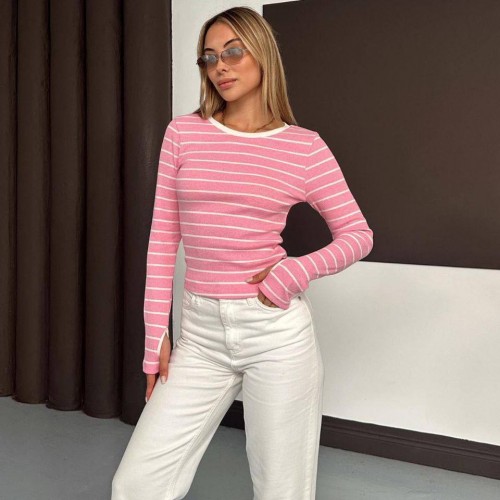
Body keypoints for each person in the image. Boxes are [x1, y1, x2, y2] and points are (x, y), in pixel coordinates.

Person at [112, 6, 373, 500]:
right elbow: (163, 239)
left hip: (274, 335)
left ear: (263, 55)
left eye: (234, 52)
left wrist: (293, 272)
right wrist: (155, 336)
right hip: (200, 336)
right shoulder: (183, 133)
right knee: (137, 484)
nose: (221, 67)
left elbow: (358, 234)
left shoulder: (304, 148)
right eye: (209, 57)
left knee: (281, 490)